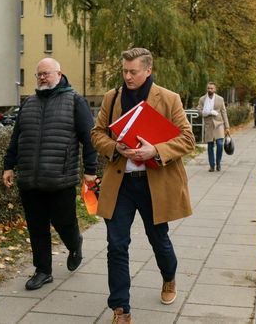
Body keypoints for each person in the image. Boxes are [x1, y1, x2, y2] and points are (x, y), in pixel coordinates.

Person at [91, 48, 195, 323]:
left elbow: (187, 139)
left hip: (154, 184)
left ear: (148, 70)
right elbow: (96, 134)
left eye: (133, 71)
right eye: (124, 71)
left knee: (158, 239)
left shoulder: (169, 99)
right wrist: (115, 147)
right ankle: (120, 309)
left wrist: (155, 151)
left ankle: (169, 276)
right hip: (120, 183)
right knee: (116, 244)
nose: (127, 76)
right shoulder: (112, 97)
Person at [2, 58, 98, 291]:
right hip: (30, 178)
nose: (42, 78)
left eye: (47, 73)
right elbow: (17, 137)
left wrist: (91, 171)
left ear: (59, 74)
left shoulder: (75, 100)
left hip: (60, 178)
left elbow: (89, 137)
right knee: (36, 226)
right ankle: (43, 270)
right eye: (39, 75)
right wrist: (8, 165)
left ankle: (75, 244)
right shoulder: (29, 103)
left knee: (64, 223)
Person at [196, 82, 230, 171]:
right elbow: (199, 110)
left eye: (211, 88)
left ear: (215, 89)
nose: (210, 90)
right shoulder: (202, 99)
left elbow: (224, 112)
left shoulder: (220, 99)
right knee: (210, 146)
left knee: (220, 144)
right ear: (206, 89)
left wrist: (227, 127)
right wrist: (207, 112)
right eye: (208, 88)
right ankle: (212, 165)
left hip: (219, 124)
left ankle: (218, 162)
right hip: (209, 125)